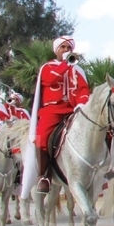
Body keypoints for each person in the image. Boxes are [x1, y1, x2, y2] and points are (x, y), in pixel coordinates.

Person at [31, 36, 89, 194]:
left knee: (95, 130)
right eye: (62, 47)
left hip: (73, 109)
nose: (65, 50)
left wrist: (81, 102)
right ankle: (44, 176)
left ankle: (99, 173)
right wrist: (65, 64)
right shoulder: (48, 67)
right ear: (56, 50)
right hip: (52, 111)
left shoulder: (77, 69)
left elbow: (83, 88)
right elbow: (51, 80)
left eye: (68, 48)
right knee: (42, 138)